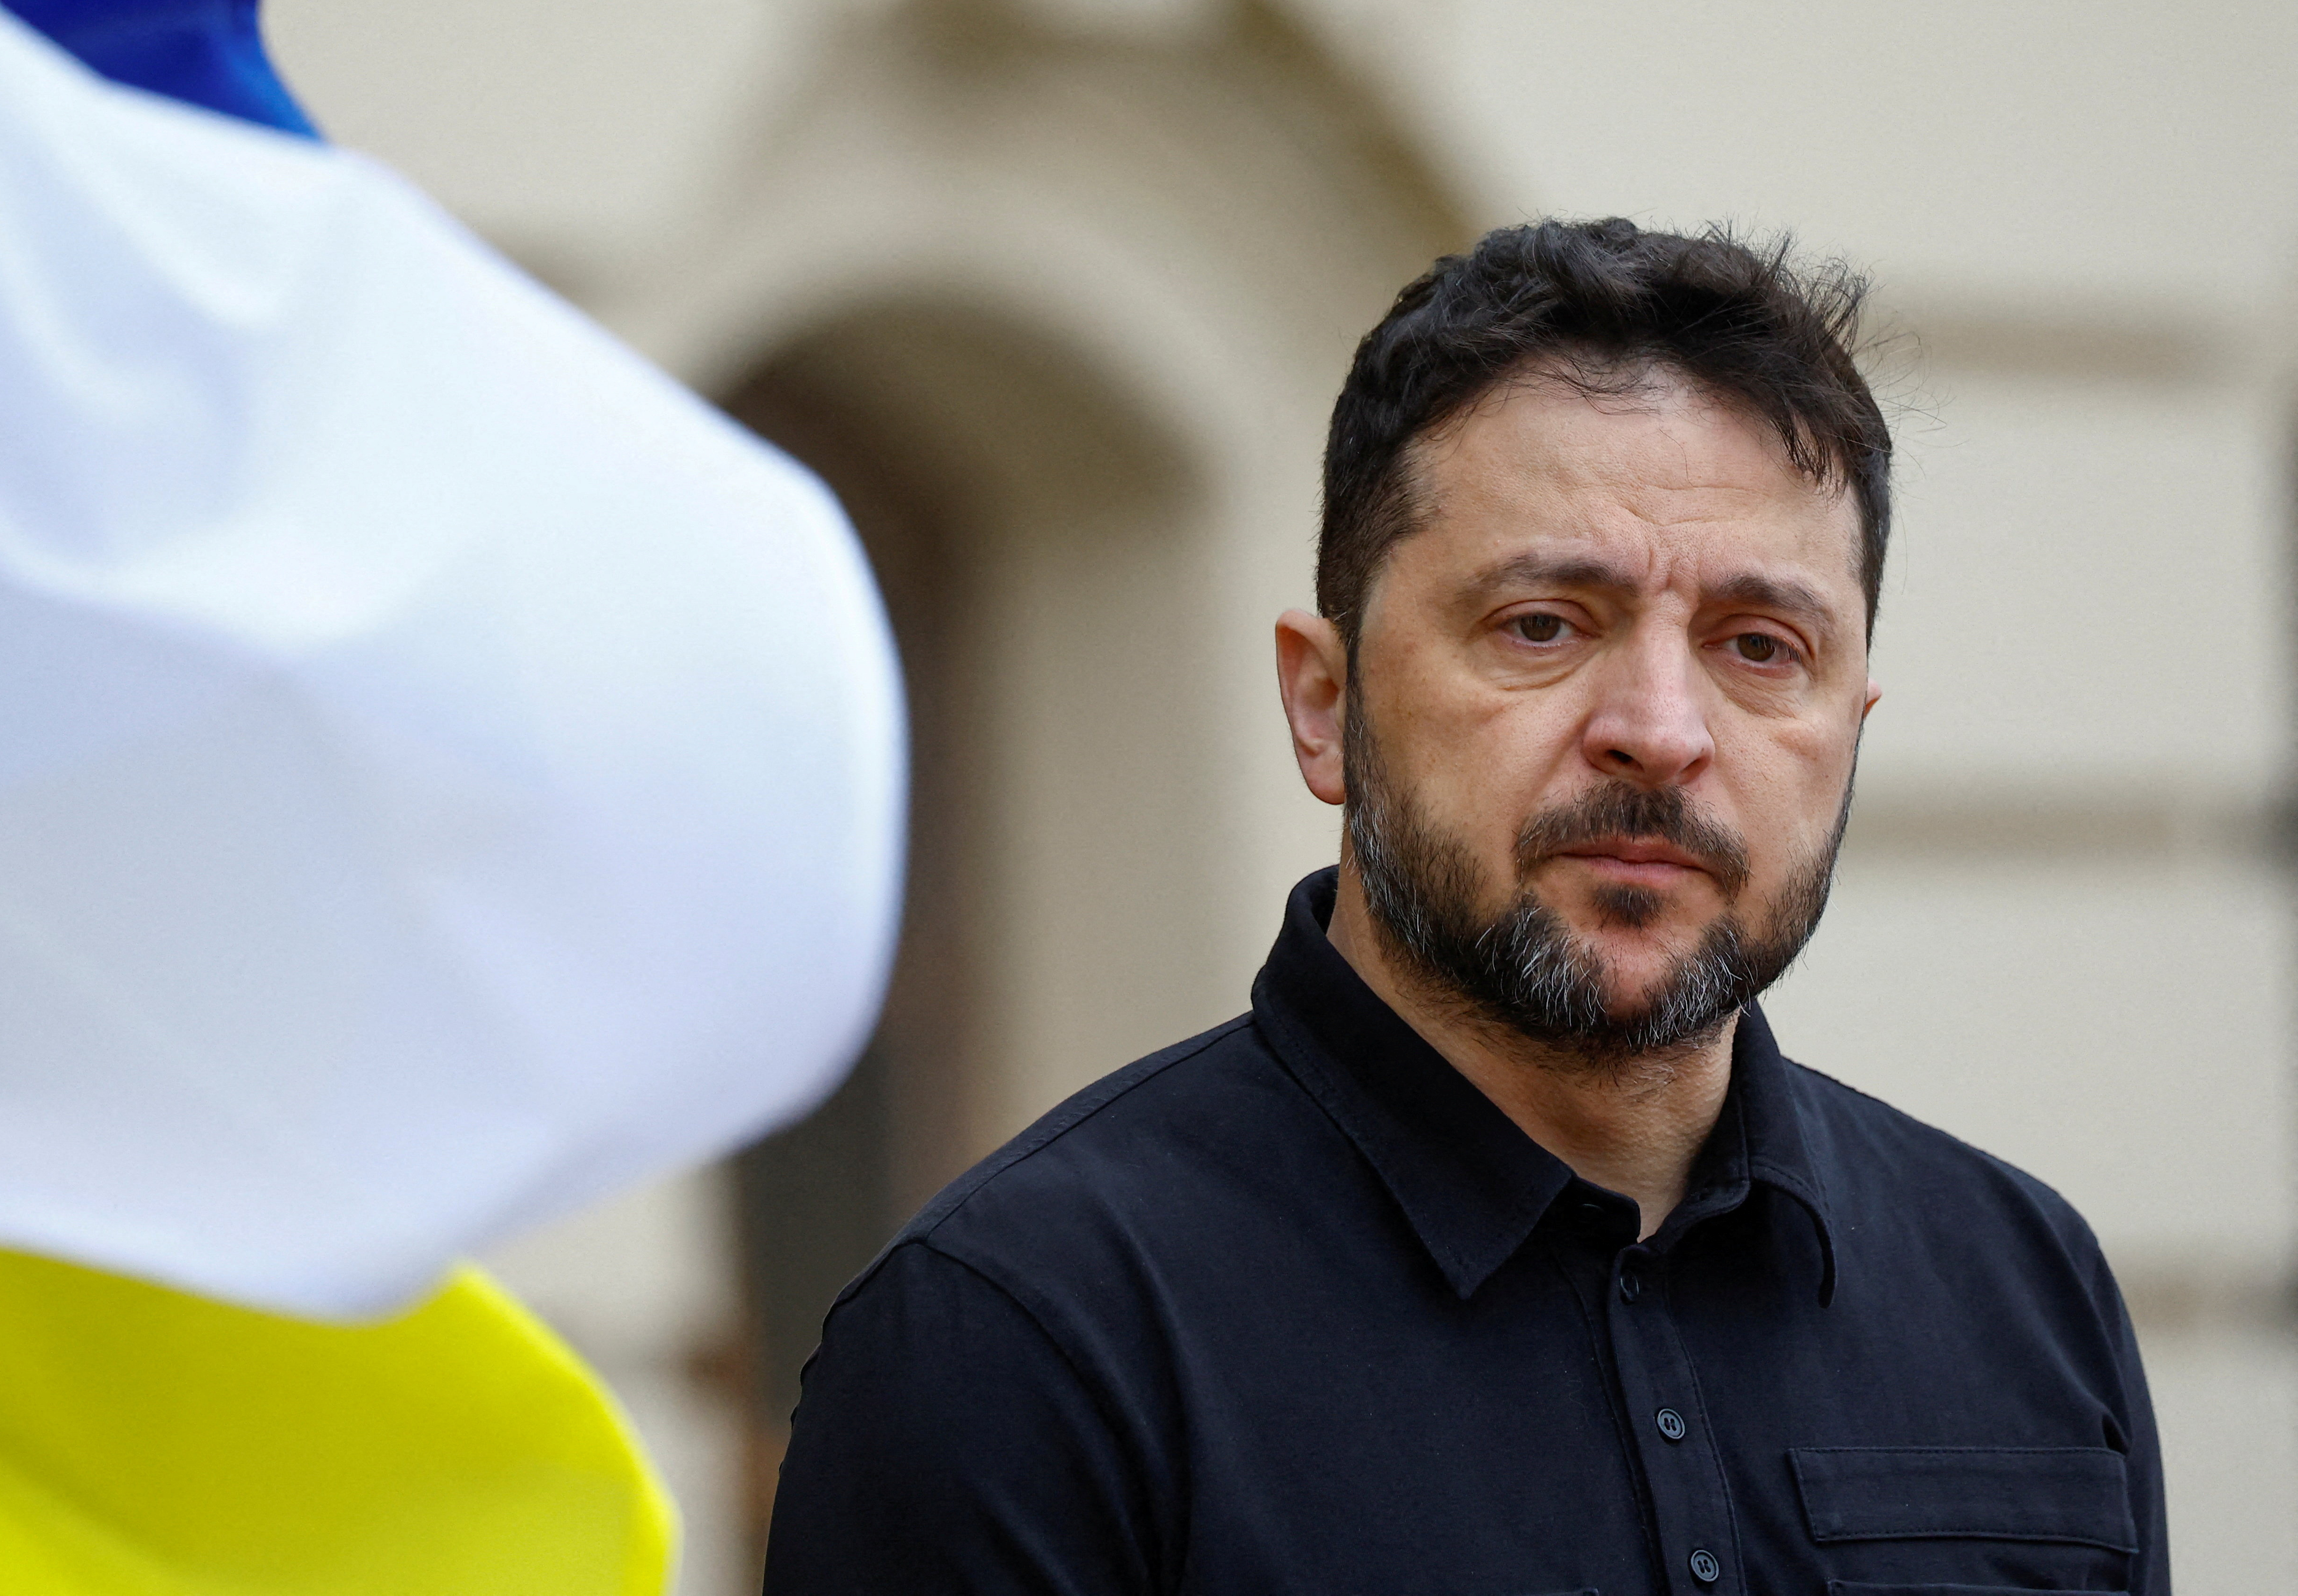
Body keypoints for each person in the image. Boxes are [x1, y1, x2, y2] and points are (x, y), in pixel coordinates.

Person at [762, 219, 2167, 1596]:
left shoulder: (2023, 1290)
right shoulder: (1021, 1341)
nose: (1659, 731)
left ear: (1852, 721)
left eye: (1759, 646)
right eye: (1543, 624)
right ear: (1326, 704)